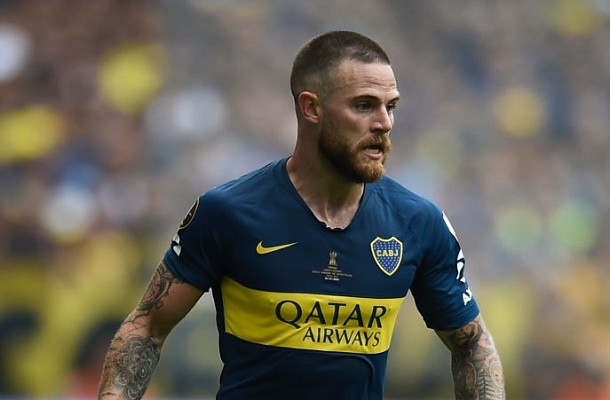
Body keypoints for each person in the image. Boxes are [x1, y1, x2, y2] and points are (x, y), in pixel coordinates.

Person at [97, 30, 505, 400]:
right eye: (364, 105)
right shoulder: (228, 213)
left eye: (390, 106)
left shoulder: (418, 222)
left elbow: (471, 342)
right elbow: (147, 327)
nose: (384, 123)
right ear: (311, 108)